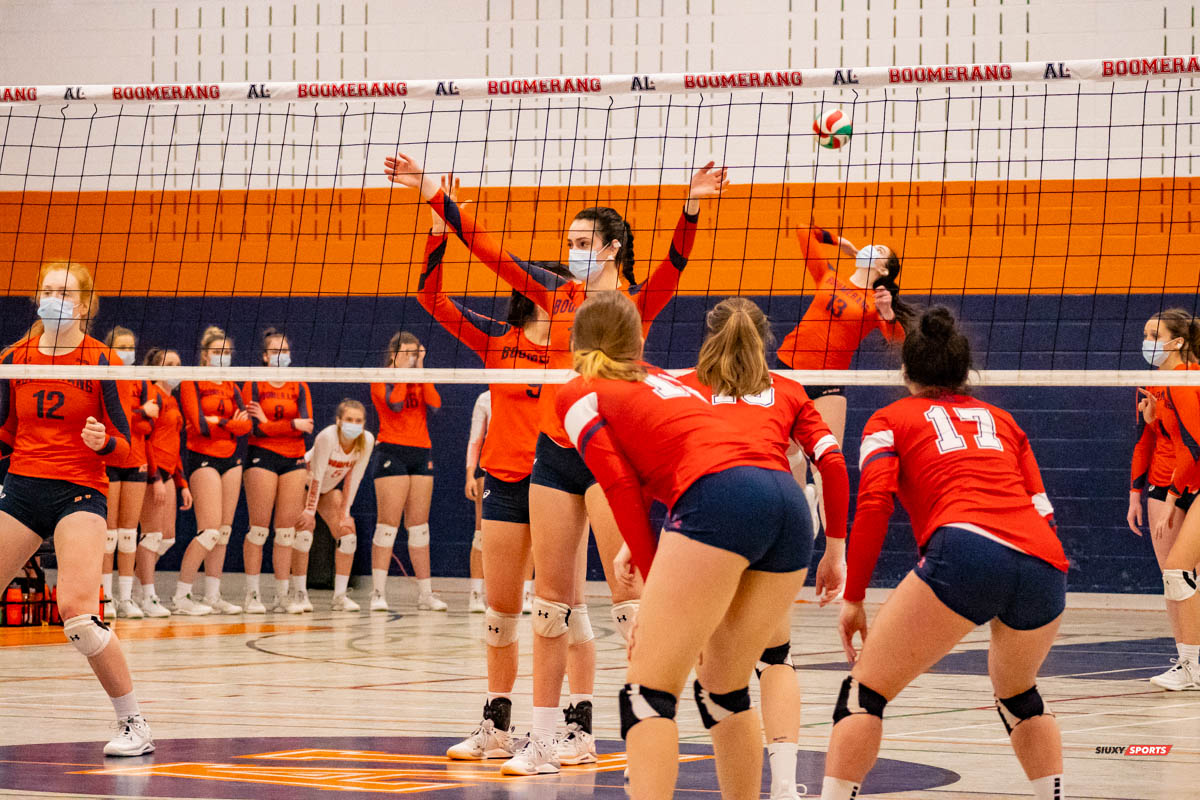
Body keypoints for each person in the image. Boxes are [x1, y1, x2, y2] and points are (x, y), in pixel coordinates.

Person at [385, 152, 728, 775]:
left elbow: (674, 270)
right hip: (550, 461)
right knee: (547, 604)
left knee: (628, 596)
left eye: (583, 241)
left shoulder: (631, 304)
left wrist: (692, 208)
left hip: (611, 456)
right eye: (567, 241)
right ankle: (537, 735)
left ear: (614, 248)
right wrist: (435, 194)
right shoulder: (553, 295)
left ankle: (632, 728)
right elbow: (489, 250)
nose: (571, 249)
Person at [555, 292, 812, 800]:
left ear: (573, 344)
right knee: (724, 689)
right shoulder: (664, 381)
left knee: (646, 695)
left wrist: (653, 594)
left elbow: (622, 489)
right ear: (640, 341)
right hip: (786, 503)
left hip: (719, 502)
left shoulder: (577, 394)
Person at [820, 307, 1067, 800]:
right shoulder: (1004, 421)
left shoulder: (889, 419)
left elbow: (873, 505)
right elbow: (1043, 512)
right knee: (1019, 696)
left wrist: (854, 596)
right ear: (963, 370)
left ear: (906, 371)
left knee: (863, 694)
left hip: (967, 547)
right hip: (1045, 561)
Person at [416, 184, 592, 764]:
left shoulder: (575, 345)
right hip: (504, 484)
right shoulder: (498, 343)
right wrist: (439, 236)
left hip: (560, 482)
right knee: (500, 616)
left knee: (562, 610)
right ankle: (496, 726)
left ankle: (575, 727)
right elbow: (431, 299)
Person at [676, 297, 849, 800]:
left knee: (701, 662)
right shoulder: (790, 391)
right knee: (775, 657)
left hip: (712, 515)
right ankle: (785, 785)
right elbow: (833, 466)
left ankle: (653, 757)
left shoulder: (682, 388)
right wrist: (835, 551)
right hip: (782, 513)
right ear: (766, 338)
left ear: (709, 338)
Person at [0, 260, 153, 755]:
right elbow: (5, 432)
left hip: (80, 492)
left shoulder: (102, 360)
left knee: (78, 613)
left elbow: (128, 448)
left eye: (65, 293)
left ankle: (134, 724)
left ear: (85, 305)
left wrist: (103, 441)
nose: (54, 299)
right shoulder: (14, 357)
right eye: (47, 290)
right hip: (21, 487)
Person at [777, 226, 913, 532]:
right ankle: (802, 507)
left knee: (827, 463)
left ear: (884, 269)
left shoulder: (876, 299)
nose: (870, 247)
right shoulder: (828, 275)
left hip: (829, 377)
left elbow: (897, 339)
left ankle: (836, 549)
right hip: (788, 367)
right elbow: (803, 232)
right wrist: (842, 243)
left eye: (878, 250)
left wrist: (888, 312)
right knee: (785, 451)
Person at [1127, 309, 1200, 690]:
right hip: (1162, 482)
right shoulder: (1149, 382)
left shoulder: (1189, 380)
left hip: (1190, 482)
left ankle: (1194, 663)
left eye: (1154, 335)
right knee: (1175, 577)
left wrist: (1173, 496)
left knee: (1183, 571)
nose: (1146, 342)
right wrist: (1135, 495)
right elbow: (1146, 439)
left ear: (1179, 341)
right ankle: (1188, 662)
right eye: (1145, 333)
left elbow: (1195, 445)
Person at [172, 326, 250, 615]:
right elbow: (198, 424)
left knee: (224, 532)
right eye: (217, 352)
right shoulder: (192, 381)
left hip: (231, 458)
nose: (222, 357)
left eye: (227, 352)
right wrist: (227, 422)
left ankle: (212, 595)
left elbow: (246, 426)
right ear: (205, 355)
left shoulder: (232, 386)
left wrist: (219, 420)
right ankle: (182, 597)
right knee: (209, 531)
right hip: (202, 457)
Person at [369, 332, 446, 612]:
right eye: (407, 352)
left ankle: (425, 594)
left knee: (419, 529)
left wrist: (421, 369)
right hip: (392, 450)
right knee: (387, 527)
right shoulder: (381, 375)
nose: (411, 357)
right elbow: (396, 403)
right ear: (394, 354)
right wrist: (405, 372)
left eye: (416, 352)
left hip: (421, 451)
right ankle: (378, 592)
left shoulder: (419, 374)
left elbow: (435, 405)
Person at [241, 329, 314, 614]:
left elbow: (306, 424)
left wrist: (276, 424)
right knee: (258, 531)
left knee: (286, 533)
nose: (281, 355)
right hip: (262, 456)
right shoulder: (254, 383)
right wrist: (290, 425)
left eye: (285, 350)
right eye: (275, 350)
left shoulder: (300, 385)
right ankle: (252, 595)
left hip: (294, 458)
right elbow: (255, 428)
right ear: (264, 356)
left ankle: (282, 596)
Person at [101, 327, 159, 619]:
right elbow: (115, 417)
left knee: (127, 534)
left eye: (131, 346)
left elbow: (152, 424)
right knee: (107, 535)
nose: (128, 351)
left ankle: (125, 598)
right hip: (111, 457)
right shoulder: (106, 376)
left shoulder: (143, 381)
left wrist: (141, 417)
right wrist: (140, 414)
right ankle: (105, 598)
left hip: (136, 460)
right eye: (122, 346)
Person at [301, 399, 375, 611]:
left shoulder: (366, 440)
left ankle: (340, 597)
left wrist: (345, 512)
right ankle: (298, 593)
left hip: (327, 490)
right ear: (339, 421)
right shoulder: (327, 436)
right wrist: (308, 511)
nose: (354, 424)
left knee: (348, 535)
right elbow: (315, 476)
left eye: (359, 420)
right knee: (303, 533)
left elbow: (355, 478)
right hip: (303, 484)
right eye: (349, 419)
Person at [135, 348, 192, 618]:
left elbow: (175, 444)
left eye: (178, 363)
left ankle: (136, 587)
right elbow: (146, 438)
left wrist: (183, 484)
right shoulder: (150, 393)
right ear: (155, 368)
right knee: (152, 535)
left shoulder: (173, 399)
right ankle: (147, 595)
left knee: (167, 537)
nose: (176, 367)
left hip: (170, 471)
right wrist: (155, 478)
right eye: (169, 364)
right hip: (152, 472)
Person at [465, 389, 490, 614]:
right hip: (489, 469)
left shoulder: (534, 392)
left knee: (530, 533)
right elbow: (475, 440)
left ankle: (527, 594)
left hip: (527, 467)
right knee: (481, 532)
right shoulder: (485, 398)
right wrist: (470, 475)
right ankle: (475, 593)